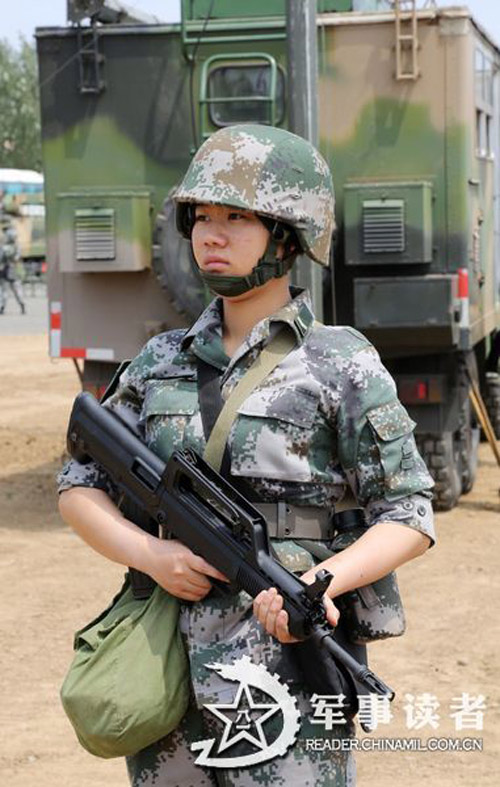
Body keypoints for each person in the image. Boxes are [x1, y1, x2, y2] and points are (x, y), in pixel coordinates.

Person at [57, 124, 436, 786]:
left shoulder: (341, 362)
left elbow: (409, 511)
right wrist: (150, 554)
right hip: (168, 668)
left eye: (235, 216)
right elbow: (78, 483)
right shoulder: (160, 361)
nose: (211, 233)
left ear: (289, 235)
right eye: (202, 216)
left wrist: (322, 585)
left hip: (285, 665)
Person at [0, 223, 26, 315]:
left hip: (5, 271)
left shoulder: (3, 247)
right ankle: (22, 306)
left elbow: (1, 258)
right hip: (14, 271)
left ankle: (2, 308)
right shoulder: (16, 247)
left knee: (4, 290)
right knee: (17, 290)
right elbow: (17, 258)